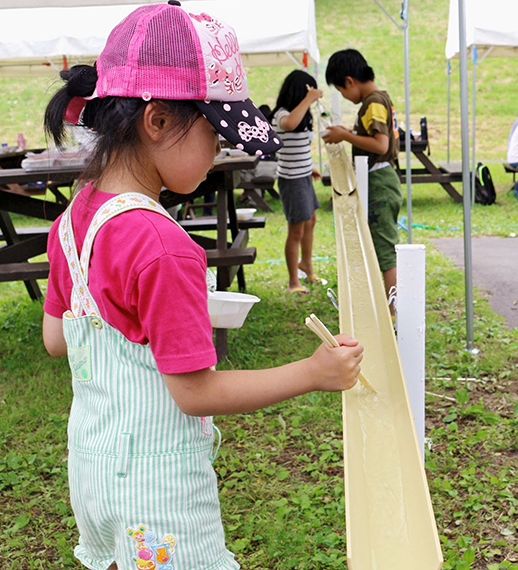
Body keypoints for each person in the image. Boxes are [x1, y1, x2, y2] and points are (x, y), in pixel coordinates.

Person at [40, 5, 364, 570]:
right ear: (158, 121)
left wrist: (149, 318)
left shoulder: (72, 223)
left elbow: (58, 338)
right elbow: (195, 392)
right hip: (158, 493)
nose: (219, 152)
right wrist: (313, 374)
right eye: (215, 133)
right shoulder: (163, 246)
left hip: (94, 475)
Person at [322, 48, 402, 301]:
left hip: (380, 181)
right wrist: (349, 132)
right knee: (381, 248)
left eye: (342, 90)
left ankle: (394, 312)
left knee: (386, 252)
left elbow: (380, 145)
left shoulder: (373, 102)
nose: (344, 96)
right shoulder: (377, 100)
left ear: (349, 81)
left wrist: (345, 136)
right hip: (379, 180)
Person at [271, 70, 324, 295]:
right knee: (296, 230)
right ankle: (294, 281)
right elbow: (290, 125)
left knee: (310, 220)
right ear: (300, 92)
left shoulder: (301, 113)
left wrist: (308, 167)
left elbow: (297, 146)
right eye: (308, 91)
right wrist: (309, 99)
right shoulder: (282, 114)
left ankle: (306, 265)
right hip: (291, 180)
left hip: (302, 175)